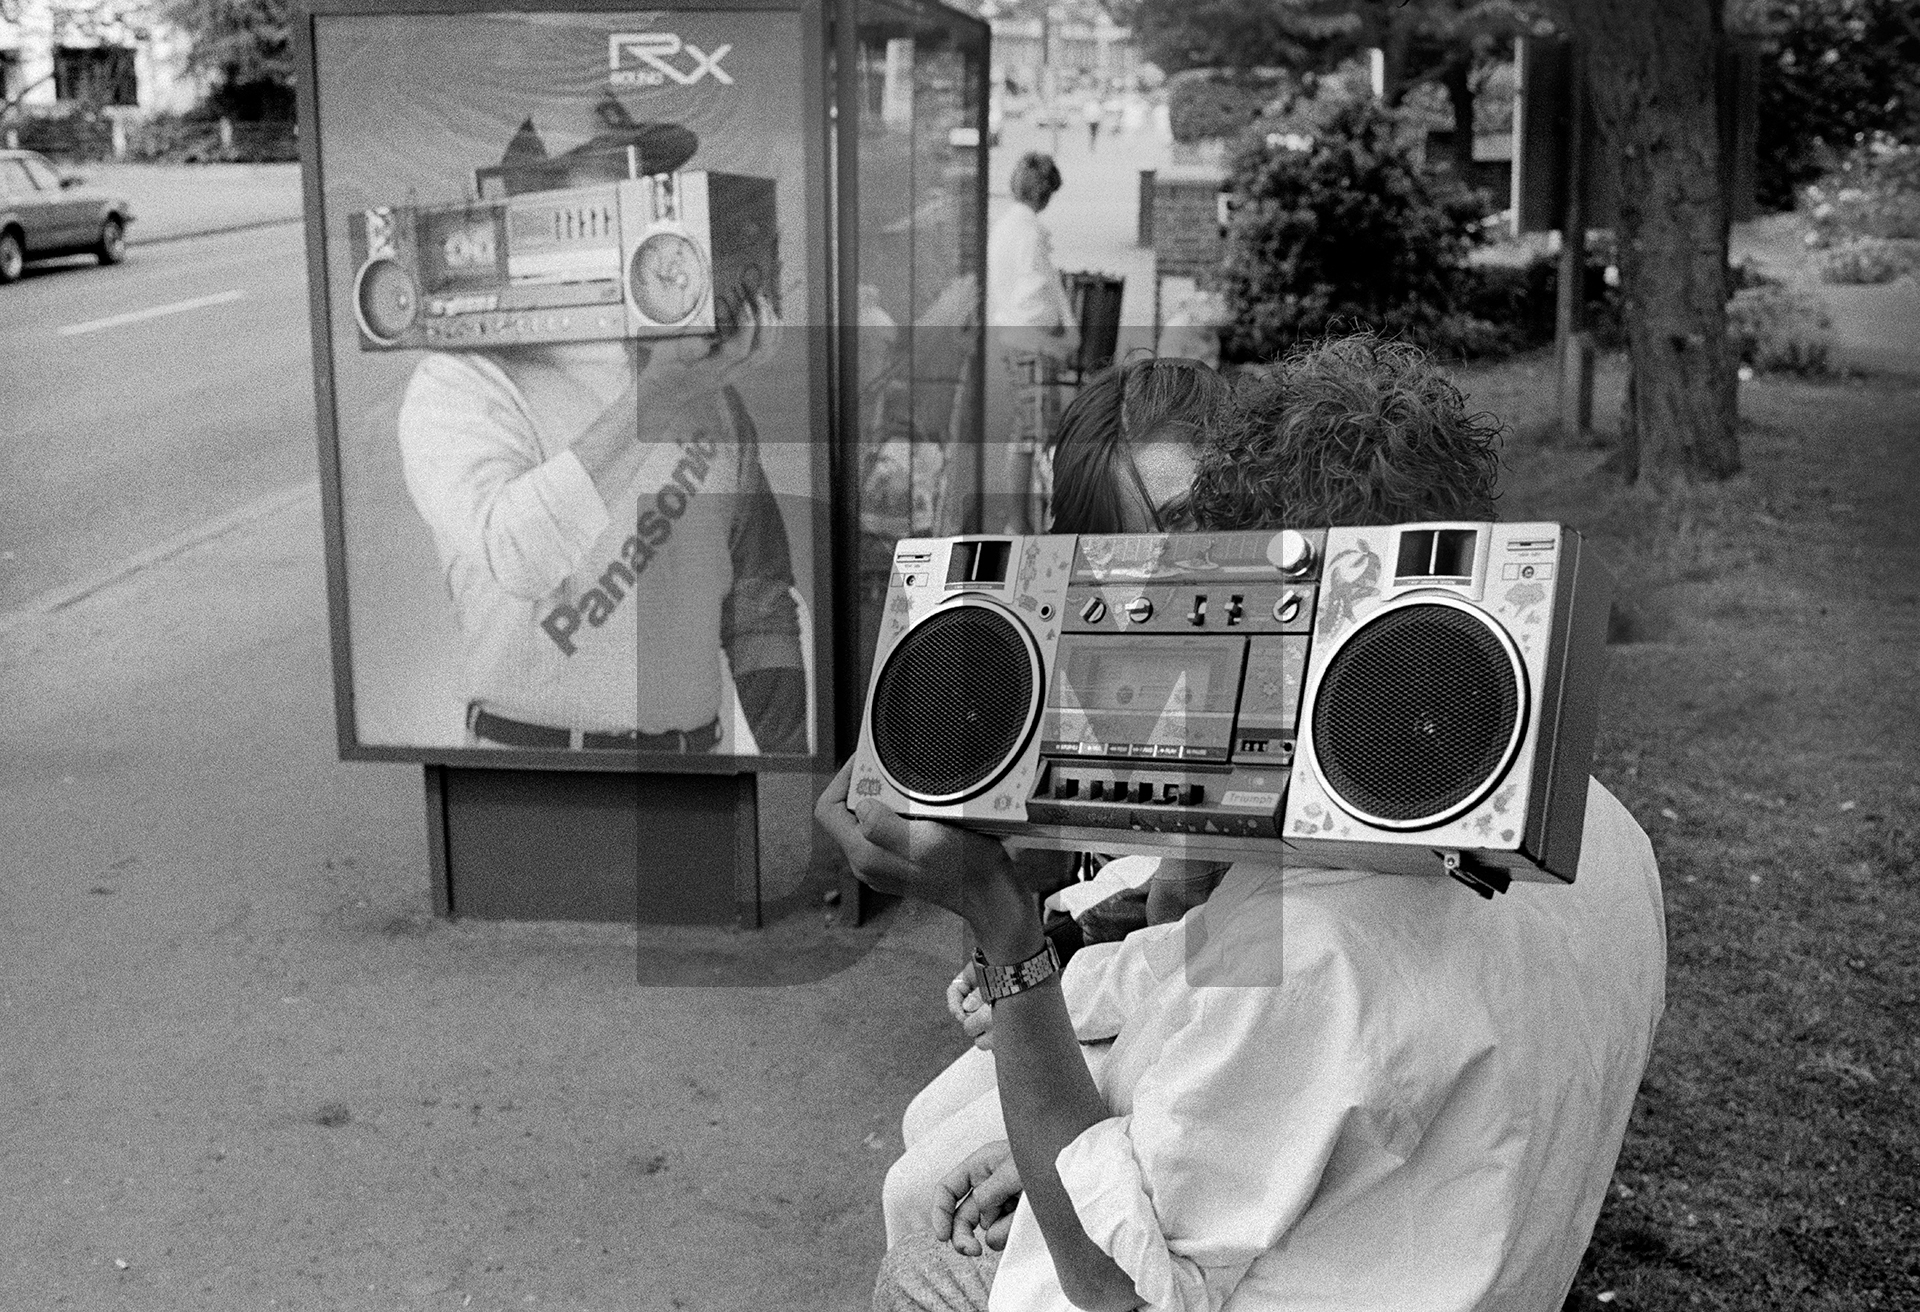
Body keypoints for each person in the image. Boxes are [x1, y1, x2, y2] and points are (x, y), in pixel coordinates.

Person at [820, 333, 1667, 1312]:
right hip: (1421, 1246)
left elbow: (1114, 1289)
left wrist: (1003, 923)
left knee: (917, 1258)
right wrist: (1098, 1136)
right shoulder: (1617, 838)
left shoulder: (1316, 945)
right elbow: (1279, 1082)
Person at [878, 357, 1236, 1249]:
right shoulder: (1082, 629)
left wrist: (1028, 959)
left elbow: (1221, 963)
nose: (1158, 582)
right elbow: (1151, 897)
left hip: (1199, 1044)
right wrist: (1023, 896)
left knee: (918, 1192)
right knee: (926, 1127)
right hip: (1144, 985)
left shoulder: (1278, 676)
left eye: (1189, 532)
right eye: (1120, 546)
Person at [395, 113, 809, 756]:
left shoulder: (705, 387)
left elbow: (757, 604)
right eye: (617, 179)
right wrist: (659, 398)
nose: (649, 199)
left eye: (653, 176)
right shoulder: (462, 382)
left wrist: (796, 767)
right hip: (533, 778)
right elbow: (518, 556)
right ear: (532, 205)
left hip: (695, 771)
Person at [987, 153, 1079, 535]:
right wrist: (1057, 339)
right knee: (1032, 436)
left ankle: (1019, 521)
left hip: (1013, 337)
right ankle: (1022, 524)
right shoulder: (1028, 232)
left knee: (1023, 435)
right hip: (1031, 342)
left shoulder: (1007, 226)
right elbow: (1038, 295)